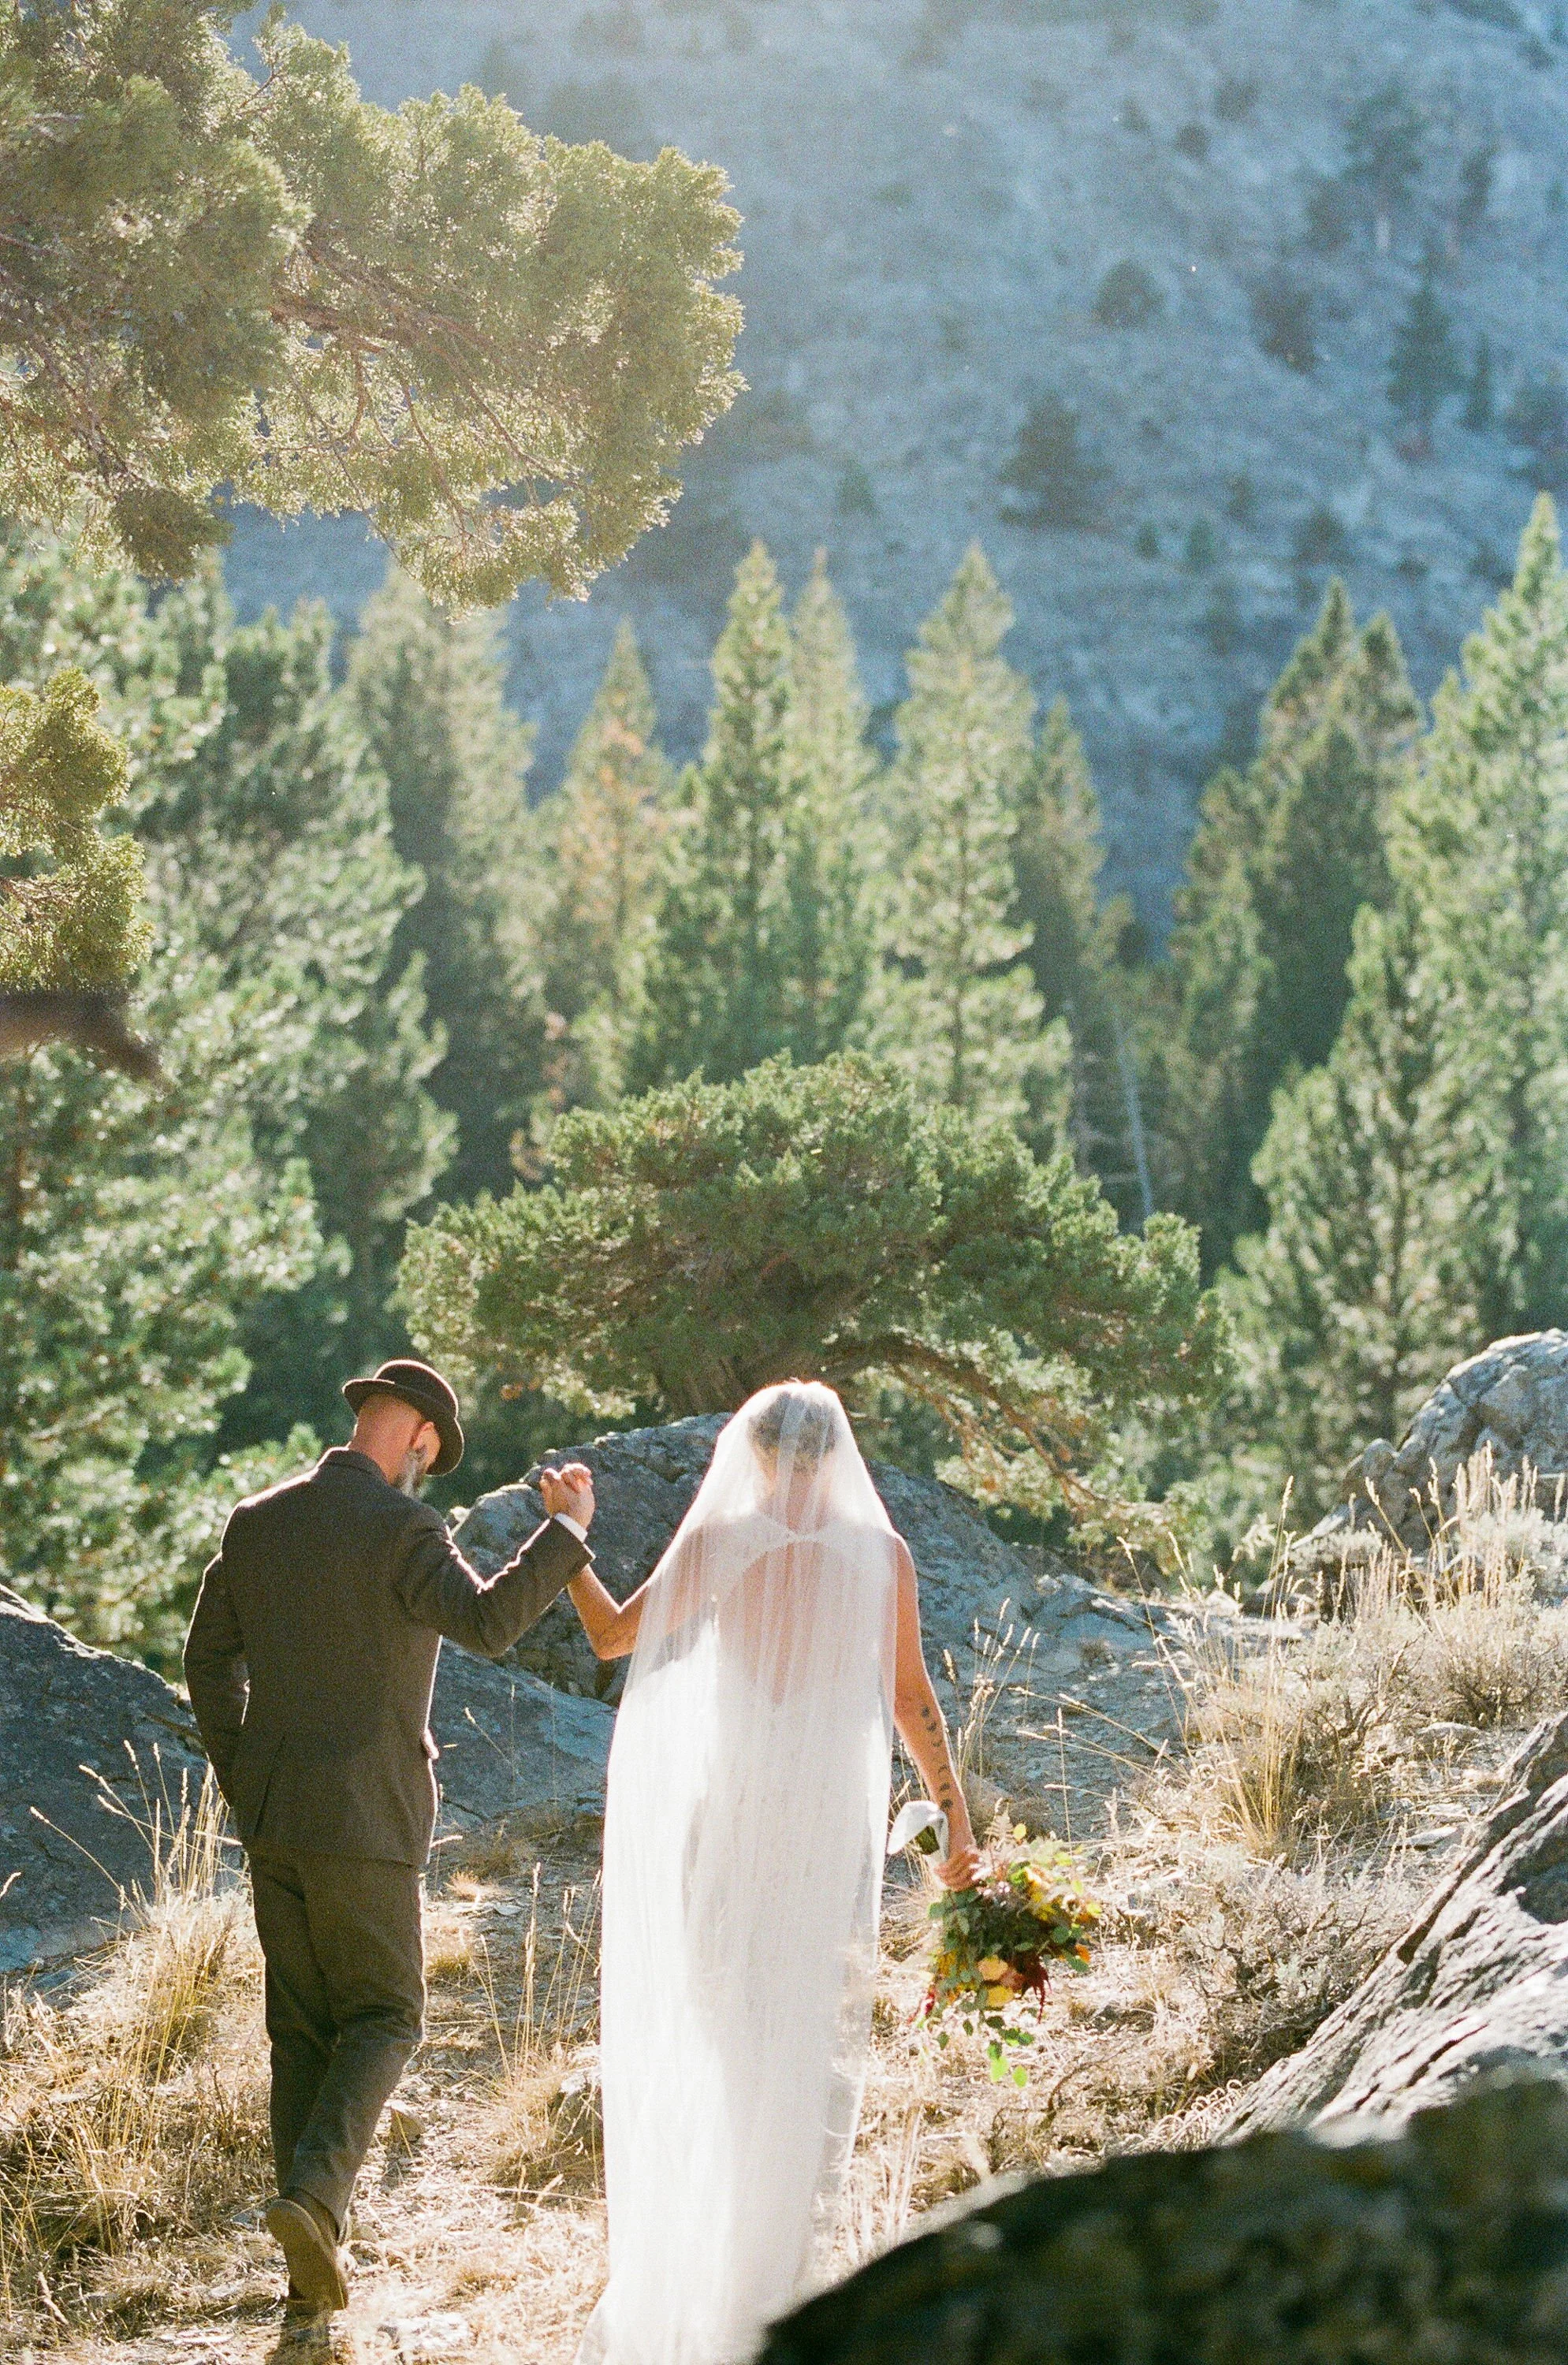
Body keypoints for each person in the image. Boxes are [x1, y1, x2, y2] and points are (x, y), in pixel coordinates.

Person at [564, 1380, 978, 2365]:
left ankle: (698, 2274)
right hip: (820, 1836)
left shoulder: (723, 1543)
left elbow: (612, 1636)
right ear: (836, 1456)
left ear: (750, 1454)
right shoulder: (881, 1556)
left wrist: (570, 1538)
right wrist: (956, 1820)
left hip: (729, 1822)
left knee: (722, 2044)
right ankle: (771, 2287)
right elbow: (912, 1698)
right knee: (795, 2042)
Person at [183, 1358, 598, 2322]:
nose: (427, 1470)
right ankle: (314, 2201)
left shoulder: (257, 1520)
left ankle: (308, 2277)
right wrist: (568, 1531)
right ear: (417, 1436)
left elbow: (206, 1662)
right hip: (367, 1819)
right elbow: (489, 1621)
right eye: (431, 1454)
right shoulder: (404, 1528)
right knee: (385, 2017)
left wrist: (246, 1776)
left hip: (275, 1818)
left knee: (301, 2033)